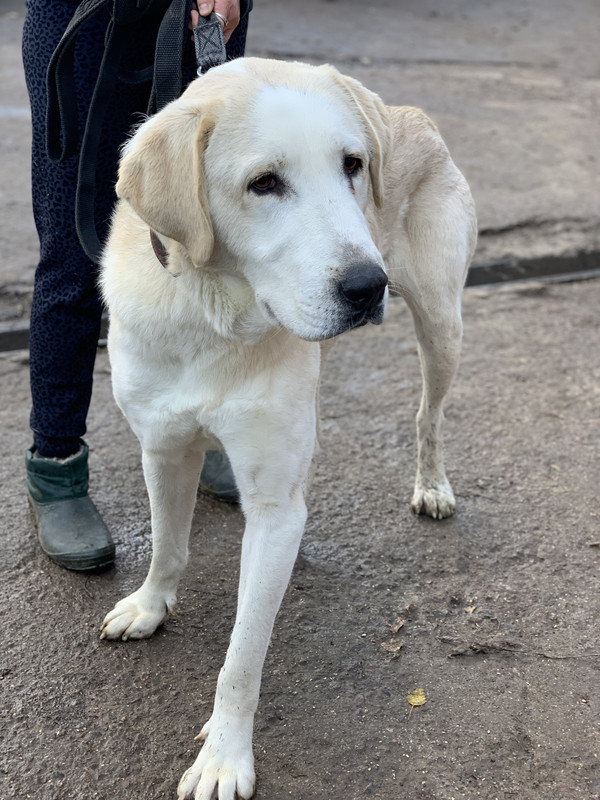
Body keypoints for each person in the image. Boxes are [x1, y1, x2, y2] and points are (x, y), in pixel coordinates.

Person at [23, 0, 249, 571]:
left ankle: (206, 435)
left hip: (202, 11)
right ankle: (56, 466)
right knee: (73, 251)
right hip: (83, 14)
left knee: (210, 237)